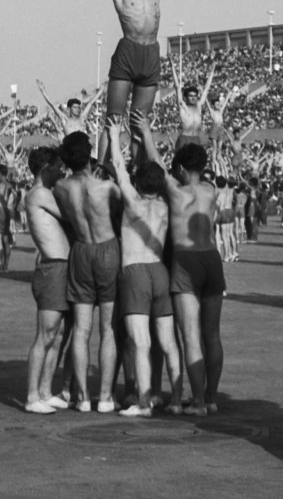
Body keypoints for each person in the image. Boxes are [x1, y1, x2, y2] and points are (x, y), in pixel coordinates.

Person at [44, 0, 206, 164]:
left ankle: (140, 171)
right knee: (114, 119)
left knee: (140, 123)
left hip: (151, 53)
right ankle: (104, 166)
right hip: (128, 52)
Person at [133, 111, 225, 415]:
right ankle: (210, 397)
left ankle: (197, 402)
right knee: (212, 334)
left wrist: (146, 133)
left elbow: (158, 165)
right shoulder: (211, 190)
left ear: (183, 169)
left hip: (186, 260)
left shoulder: (176, 191)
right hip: (212, 257)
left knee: (190, 336)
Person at [106, 118, 183, 417]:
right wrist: (146, 136)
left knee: (141, 341)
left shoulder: (133, 203)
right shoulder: (165, 204)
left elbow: (118, 166)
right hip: (159, 271)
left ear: (139, 182)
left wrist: (114, 134)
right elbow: (159, 169)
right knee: (167, 342)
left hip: (135, 271)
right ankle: (176, 399)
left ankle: (143, 402)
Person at [53, 132, 122, 412]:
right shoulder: (107, 188)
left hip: (80, 251)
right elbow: (124, 208)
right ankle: (105, 396)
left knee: (81, 330)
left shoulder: (61, 187)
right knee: (108, 328)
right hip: (106, 249)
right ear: (88, 153)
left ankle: (81, 397)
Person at [25, 147, 72, 414]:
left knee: (58, 334)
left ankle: (45, 390)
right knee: (46, 334)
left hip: (59, 267)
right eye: (57, 167)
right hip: (52, 268)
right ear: (46, 169)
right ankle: (32, 396)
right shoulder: (40, 193)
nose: (62, 171)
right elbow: (70, 214)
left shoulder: (43, 193)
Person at [169, 55, 217, 151]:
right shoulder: (183, 106)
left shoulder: (198, 106)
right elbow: (177, 86)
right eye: (190, 96)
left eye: (195, 96)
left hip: (196, 139)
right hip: (184, 139)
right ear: (186, 98)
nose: (193, 98)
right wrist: (172, 67)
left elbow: (206, 89)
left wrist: (212, 70)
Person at [36, 81, 105, 139]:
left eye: (78, 107)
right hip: (69, 150)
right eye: (75, 107)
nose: (77, 109)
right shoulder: (65, 119)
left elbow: (90, 103)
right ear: (69, 109)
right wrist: (43, 91)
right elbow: (52, 105)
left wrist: (101, 91)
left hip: (81, 150)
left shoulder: (82, 118)